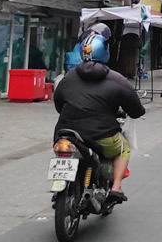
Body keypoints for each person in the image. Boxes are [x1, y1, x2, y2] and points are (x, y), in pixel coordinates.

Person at [53, 25, 146, 204]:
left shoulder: (68, 77)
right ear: (105, 51)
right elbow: (136, 110)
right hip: (101, 135)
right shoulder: (117, 79)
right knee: (123, 148)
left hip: (65, 133)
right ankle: (116, 187)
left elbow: (59, 104)